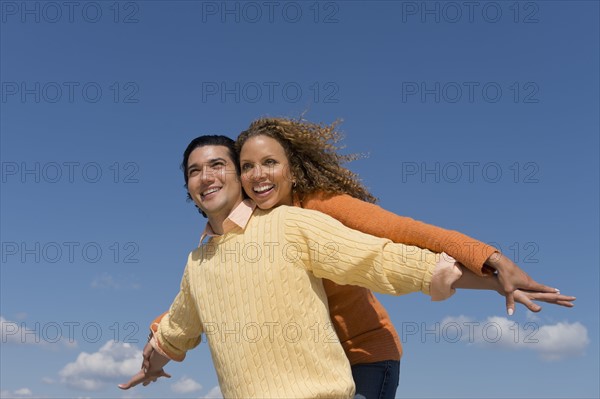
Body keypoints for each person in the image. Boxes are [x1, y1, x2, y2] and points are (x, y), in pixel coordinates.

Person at [119, 135, 574, 398]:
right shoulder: (199, 263)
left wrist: (490, 269)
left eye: (220, 164)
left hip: (361, 361)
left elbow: (393, 252)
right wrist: (154, 355)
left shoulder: (303, 218)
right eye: (195, 171)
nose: (208, 176)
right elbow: (184, 318)